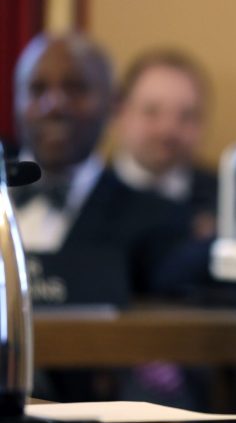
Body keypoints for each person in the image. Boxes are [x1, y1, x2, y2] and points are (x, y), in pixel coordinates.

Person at [12, 32, 189, 305]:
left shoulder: (154, 220)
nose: (54, 105)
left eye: (75, 88)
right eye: (37, 89)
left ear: (112, 104)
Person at [113, 49, 217, 241]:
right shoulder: (83, 192)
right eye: (152, 112)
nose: (168, 130)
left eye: (186, 116)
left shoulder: (224, 200)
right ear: (122, 114)